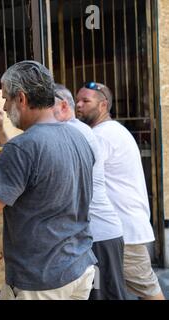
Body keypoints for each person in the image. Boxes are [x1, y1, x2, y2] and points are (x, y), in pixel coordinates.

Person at [0, 61, 97, 300]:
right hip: (79, 268)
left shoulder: (25, 146)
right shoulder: (78, 136)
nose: (5, 107)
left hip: (41, 282)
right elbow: (31, 171)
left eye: (6, 98)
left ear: (21, 98)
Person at [76, 82, 165, 300]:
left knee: (148, 290)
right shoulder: (112, 131)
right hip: (121, 228)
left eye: (86, 101)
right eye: (77, 100)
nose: (78, 105)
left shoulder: (101, 136)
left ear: (103, 105)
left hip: (123, 231)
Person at [53, 84, 126, 300]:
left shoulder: (74, 132)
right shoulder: (77, 130)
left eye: (49, 109)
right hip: (94, 235)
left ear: (64, 107)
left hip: (99, 235)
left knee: (107, 296)